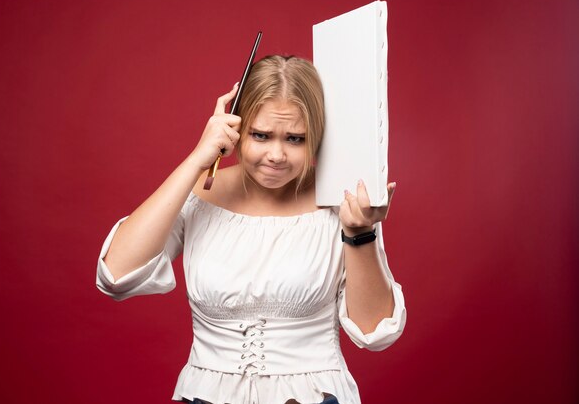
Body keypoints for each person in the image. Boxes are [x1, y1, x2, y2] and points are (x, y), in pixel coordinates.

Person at [96, 55, 406, 404]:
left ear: (316, 138)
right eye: (261, 135)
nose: (276, 154)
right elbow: (115, 275)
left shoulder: (343, 202)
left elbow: (375, 332)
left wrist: (359, 232)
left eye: (295, 139)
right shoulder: (200, 195)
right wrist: (198, 158)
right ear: (236, 127)